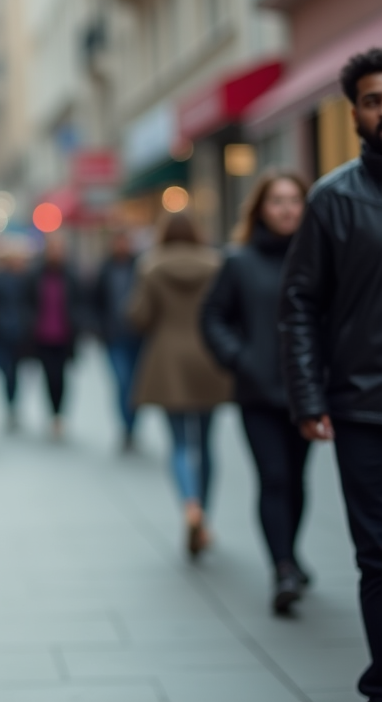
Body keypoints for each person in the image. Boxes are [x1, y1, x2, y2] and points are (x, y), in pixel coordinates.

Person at [280, 48, 382, 701]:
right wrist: (308, 396)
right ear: (355, 115)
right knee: (378, 553)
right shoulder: (333, 199)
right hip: (363, 407)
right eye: (373, 100)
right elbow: (299, 306)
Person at [201, 170, 311, 614]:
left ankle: (291, 554)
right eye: (277, 201)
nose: (286, 209)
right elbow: (213, 317)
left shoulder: (318, 258)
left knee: (298, 479)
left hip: (307, 391)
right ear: (261, 209)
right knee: (275, 476)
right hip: (258, 392)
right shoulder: (239, 261)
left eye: (294, 200)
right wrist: (239, 357)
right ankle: (282, 568)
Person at [128, 213, 230, 559]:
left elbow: (140, 316)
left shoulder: (151, 266)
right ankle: (205, 516)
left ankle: (190, 506)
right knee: (206, 443)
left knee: (180, 443)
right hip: (209, 359)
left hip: (168, 360)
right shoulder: (216, 263)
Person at [24, 235, 84, 439]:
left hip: (64, 335)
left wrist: (78, 322)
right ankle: (53, 413)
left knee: (62, 376)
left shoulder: (71, 276)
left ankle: (59, 414)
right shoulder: (36, 275)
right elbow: (28, 302)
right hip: (43, 335)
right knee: (49, 375)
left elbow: (80, 302)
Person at [93, 230, 143, 452]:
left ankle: (133, 425)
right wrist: (98, 329)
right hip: (114, 337)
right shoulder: (105, 270)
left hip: (136, 336)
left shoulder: (140, 267)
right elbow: (95, 301)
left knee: (135, 384)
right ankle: (125, 426)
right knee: (122, 382)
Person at [0, 247, 28, 431]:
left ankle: (14, 407)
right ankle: (10, 407)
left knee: (17, 373)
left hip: (20, 333)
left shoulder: (26, 280)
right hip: (3, 333)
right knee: (7, 373)